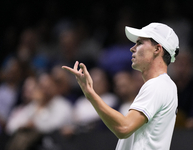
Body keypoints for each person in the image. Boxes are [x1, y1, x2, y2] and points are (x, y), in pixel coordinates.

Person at [62, 22, 179, 150]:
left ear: (157, 49)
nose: (132, 48)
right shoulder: (164, 85)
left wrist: (90, 93)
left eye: (139, 43)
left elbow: (124, 127)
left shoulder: (157, 85)